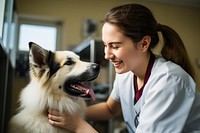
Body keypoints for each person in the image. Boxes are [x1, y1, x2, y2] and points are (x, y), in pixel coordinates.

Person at [48, 3, 200, 133]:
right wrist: (72, 114)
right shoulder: (126, 73)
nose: (107, 55)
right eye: (106, 46)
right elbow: (110, 109)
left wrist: (77, 125)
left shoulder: (168, 81)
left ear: (144, 44)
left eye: (114, 46)